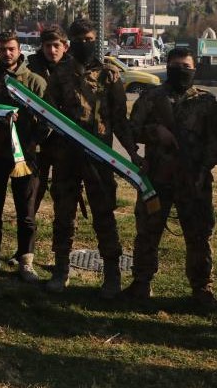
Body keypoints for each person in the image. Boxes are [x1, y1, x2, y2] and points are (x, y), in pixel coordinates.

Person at [43, 19, 143, 297]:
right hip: (66, 157)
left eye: (88, 39)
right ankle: (61, 269)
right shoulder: (60, 73)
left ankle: (112, 275)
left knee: (104, 216)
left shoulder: (109, 75)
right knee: (63, 215)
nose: (83, 44)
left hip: (99, 158)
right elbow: (48, 112)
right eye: (78, 39)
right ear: (69, 42)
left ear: (96, 40)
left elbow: (120, 120)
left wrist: (133, 152)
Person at [125, 47, 217, 308]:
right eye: (175, 66)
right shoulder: (151, 97)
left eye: (185, 67)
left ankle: (202, 289)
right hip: (157, 177)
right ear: (167, 68)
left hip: (194, 179)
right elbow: (131, 129)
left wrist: (205, 169)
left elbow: (216, 140)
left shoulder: (205, 101)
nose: (180, 71)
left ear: (194, 69)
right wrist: (153, 131)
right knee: (147, 231)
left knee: (199, 235)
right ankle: (141, 283)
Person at [0, 31, 46, 283]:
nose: (7, 53)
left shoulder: (34, 81)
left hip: (25, 158)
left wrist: (32, 139)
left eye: (11, 49)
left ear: (19, 50)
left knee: (26, 213)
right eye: (3, 48)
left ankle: (26, 261)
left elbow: (47, 120)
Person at [26, 26, 68, 213]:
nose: (52, 50)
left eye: (56, 45)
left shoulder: (74, 71)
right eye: (47, 46)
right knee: (31, 197)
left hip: (65, 144)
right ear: (41, 47)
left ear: (65, 46)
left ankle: (62, 242)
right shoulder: (29, 72)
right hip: (36, 145)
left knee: (65, 200)